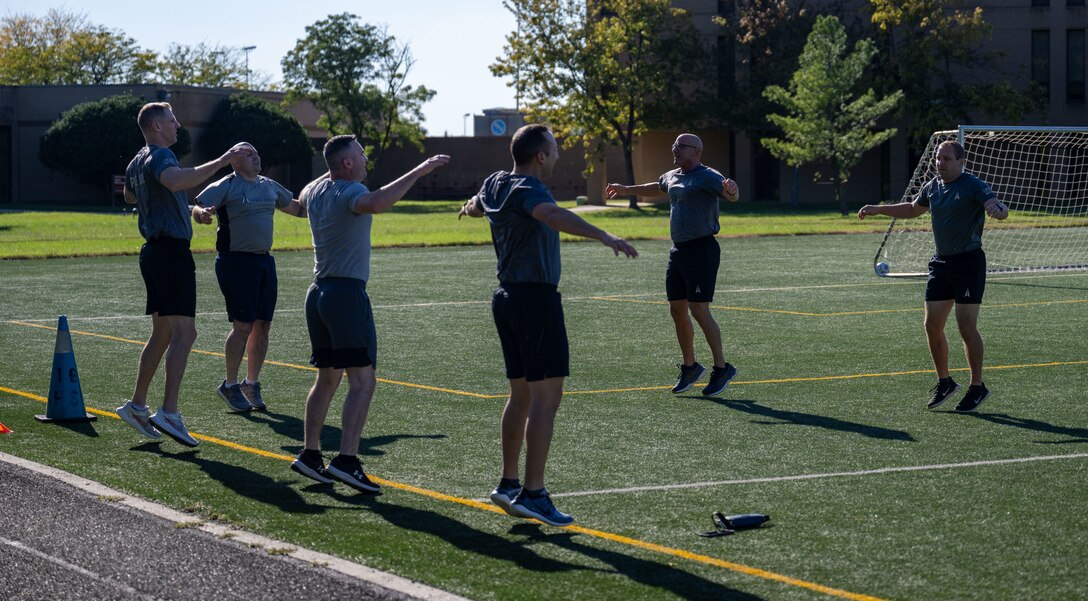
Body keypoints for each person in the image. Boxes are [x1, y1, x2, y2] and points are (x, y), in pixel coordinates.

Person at [459, 124, 638, 526]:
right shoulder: (529, 190)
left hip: (505, 299)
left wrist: (468, 209)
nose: (558, 154)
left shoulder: (495, 183)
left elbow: (474, 205)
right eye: (554, 149)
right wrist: (604, 235)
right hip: (535, 300)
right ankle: (534, 493)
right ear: (540, 155)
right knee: (546, 399)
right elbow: (551, 215)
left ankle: (508, 484)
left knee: (520, 396)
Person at [289, 135, 449, 492]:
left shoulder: (316, 190)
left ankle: (311, 454)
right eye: (360, 154)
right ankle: (346, 460)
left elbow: (301, 194)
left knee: (327, 378)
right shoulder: (349, 193)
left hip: (317, 294)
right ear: (346, 164)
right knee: (362, 381)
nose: (365, 158)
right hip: (345, 294)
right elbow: (377, 202)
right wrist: (420, 170)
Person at [116, 102, 246, 446]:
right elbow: (174, 182)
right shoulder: (161, 157)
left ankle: (137, 405)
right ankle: (169, 412)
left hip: (154, 252)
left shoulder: (136, 161)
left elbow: (135, 195)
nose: (177, 126)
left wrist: (191, 210)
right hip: (170, 254)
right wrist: (222, 161)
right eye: (172, 121)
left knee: (161, 334)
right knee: (185, 335)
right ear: (156, 127)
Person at [859, 140, 1008, 412]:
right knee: (931, 325)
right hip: (941, 263)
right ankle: (945, 381)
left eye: (947, 159)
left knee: (966, 327)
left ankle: (977, 386)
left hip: (968, 264)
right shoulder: (933, 186)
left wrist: (998, 211)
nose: (940, 163)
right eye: (938, 158)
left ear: (961, 162)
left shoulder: (973, 184)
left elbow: (997, 205)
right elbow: (913, 209)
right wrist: (879, 209)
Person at [604, 133, 740, 397]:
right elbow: (656, 186)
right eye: (674, 146)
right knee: (677, 310)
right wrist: (625, 190)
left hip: (702, 249)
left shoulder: (708, 175)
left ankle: (722, 368)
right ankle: (690, 367)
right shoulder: (672, 175)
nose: (674, 150)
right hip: (678, 251)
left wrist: (732, 191)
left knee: (699, 310)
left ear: (696, 151)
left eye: (679, 147)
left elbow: (730, 194)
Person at [193, 142, 306, 413]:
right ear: (234, 161)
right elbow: (197, 206)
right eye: (247, 153)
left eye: (256, 152)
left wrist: (330, 197)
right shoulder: (227, 185)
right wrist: (202, 215)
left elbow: (299, 209)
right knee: (243, 325)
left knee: (262, 325)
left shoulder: (268, 185)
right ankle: (230, 385)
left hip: (264, 261)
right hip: (235, 262)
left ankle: (250, 384)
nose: (255, 156)